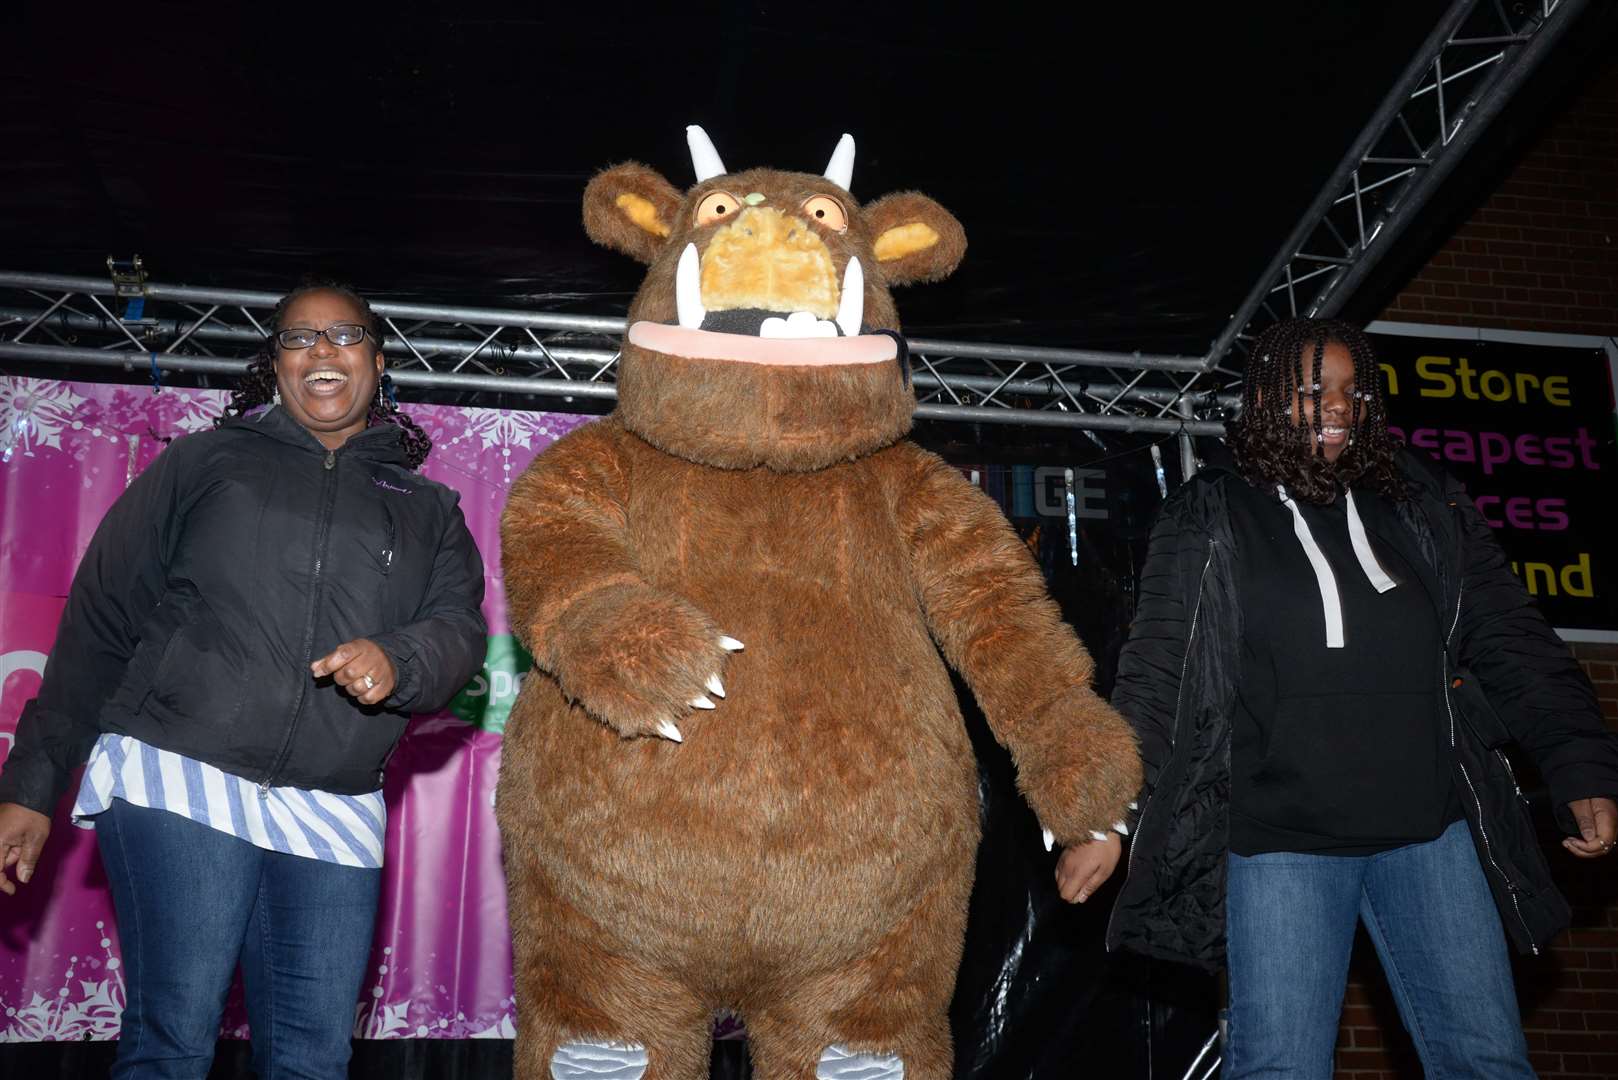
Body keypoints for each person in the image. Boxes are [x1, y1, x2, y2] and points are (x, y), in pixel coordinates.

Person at [1069, 317, 1618, 1077]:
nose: (1334, 406)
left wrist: (1578, 763)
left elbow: (1509, 637)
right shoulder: (1213, 513)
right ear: (1263, 401)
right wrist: (1106, 814)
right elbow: (1161, 669)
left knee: (1487, 1062)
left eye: (1349, 390)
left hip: (1432, 831)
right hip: (1280, 845)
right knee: (1281, 1068)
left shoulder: (1424, 503)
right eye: (1308, 391)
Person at [0, 281, 487, 1079]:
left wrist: (401, 658)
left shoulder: (428, 508)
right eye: (299, 338)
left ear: (377, 358)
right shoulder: (206, 462)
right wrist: (31, 783)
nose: (322, 351)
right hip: (178, 772)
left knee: (312, 1059)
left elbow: (459, 631)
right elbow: (100, 620)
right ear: (276, 363)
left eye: (343, 334)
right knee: (174, 1039)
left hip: (334, 804)